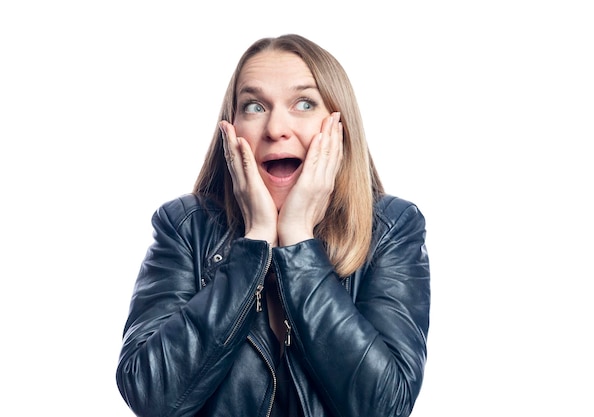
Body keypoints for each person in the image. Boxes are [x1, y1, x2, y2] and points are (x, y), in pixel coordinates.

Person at [116, 34, 430, 417]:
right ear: (230, 131)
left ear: (339, 126)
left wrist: (298, 240)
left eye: (303, 103)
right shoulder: (184, 227)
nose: (276, 128)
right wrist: (255, 243)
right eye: (254, 106)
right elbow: (151, 396)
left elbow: (385, 406)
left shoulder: (392, 228)